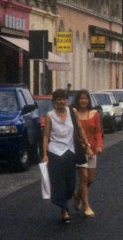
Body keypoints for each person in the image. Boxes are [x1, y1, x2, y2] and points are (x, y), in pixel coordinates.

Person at [41, 88, 91, 225]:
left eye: (64, 99)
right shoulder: (50, 116)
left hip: (70, 151)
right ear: (54, 101)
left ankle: (70, 197)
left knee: (70, 182)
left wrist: (87, 144)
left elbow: (79, 129)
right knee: (59, 183)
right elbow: (46, 135)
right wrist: (45, 154)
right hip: (55, 152)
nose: (62, 102)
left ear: (66, 100)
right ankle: (64, 210)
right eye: (59, 99)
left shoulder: (72, 112)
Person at [70, 89, 103, 217]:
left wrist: (99, 145)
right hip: (79, 150)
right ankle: (86, 206)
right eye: (81, 98)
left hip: (92, 150)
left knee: (90, 179)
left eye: (86, 98)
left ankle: (78, 194)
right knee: (83, 178)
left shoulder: (94, 113)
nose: (83, 101)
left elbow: (99, 131)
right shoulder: (74, 114)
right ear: (77, 100)